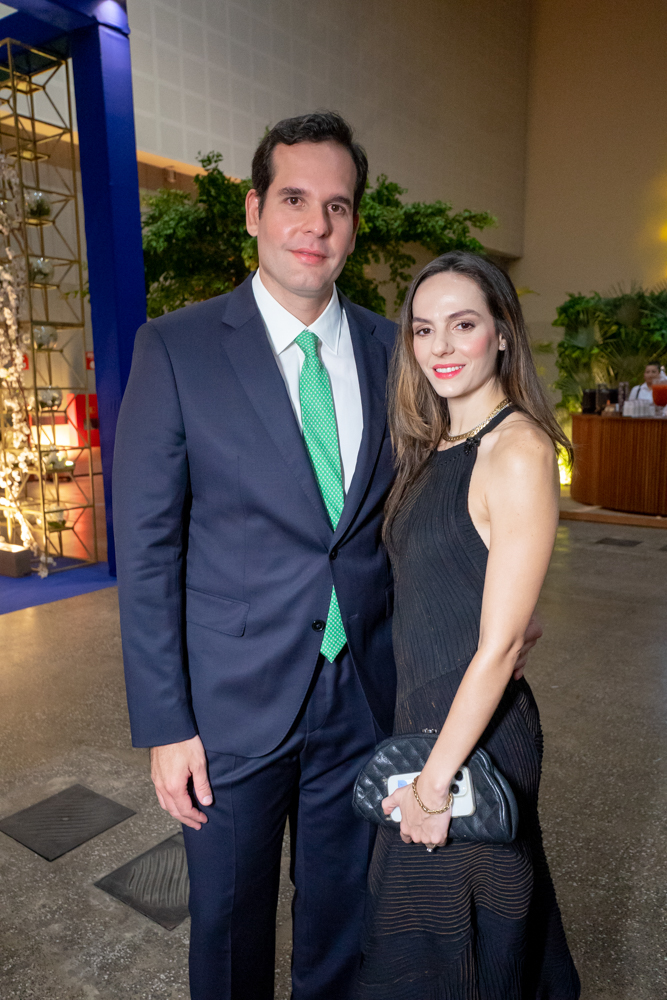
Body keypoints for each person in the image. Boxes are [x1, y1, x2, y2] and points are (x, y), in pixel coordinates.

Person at [113, 113, 541, 1000]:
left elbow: (445, 501)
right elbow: (147, 550)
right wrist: (164, 723)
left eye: (337, 206)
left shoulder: (399, 352)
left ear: (353, 224)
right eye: (295, 200)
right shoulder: (177, 348)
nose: (315, 225)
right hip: (228, 709)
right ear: (254, 210)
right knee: (228, 928)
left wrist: (495, 613)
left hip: (368, 698)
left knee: (347, 925)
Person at [356, 252, 580, 999]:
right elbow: (456, 578)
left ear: (502, 332)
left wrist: (432, 787)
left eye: (463, 325)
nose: (441, 347)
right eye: (424, 329)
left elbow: (499, 646)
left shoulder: (517, 449)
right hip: (427, 715)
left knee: (459, 951)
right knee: (432, 945)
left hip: (471, 737)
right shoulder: (434, 444)